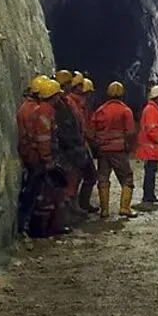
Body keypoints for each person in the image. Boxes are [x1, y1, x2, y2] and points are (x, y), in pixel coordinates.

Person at [17, 75, 62, 238]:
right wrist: (48, 159)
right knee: (39, 193)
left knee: (37, 193)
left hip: (32, 155)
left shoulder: (28, 108)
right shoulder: (40, 111)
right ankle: (36, 229)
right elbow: (43, 138)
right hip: (36, 157)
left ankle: (33, 227)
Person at [91, 81, 139, 218]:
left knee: (103, 179)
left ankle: (104, 210)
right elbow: (130, 132)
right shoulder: (125, 111)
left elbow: (92, 131)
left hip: (103, 150)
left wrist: (97, 145)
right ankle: (125, 208)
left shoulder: (100, 110)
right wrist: (128, 146)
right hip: (119, 150)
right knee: (127, 178)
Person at [48, 72, 90, 223]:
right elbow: (65, 127)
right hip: (66, 148)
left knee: (71, 180)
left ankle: (69, 213)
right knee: (66, 184)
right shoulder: (61, 104)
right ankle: (64, 218)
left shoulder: (66, 101)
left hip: (71, 145)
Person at [63, 73, 98, 214]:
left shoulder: (76, 104)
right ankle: (74, 207)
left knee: (81, 176)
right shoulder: (72, 103)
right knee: (77, 177)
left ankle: (79, 205)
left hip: (78, 143)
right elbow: (80, 126)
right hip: (76, 145)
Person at [136, 85, 158, 204]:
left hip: (150, 148)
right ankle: (148, 196)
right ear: (157, 98)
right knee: (150, 172)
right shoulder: (152, 110)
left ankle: (149, 195)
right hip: (151, 148)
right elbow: (152, 129)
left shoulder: (152, 109)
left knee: (150, 172)